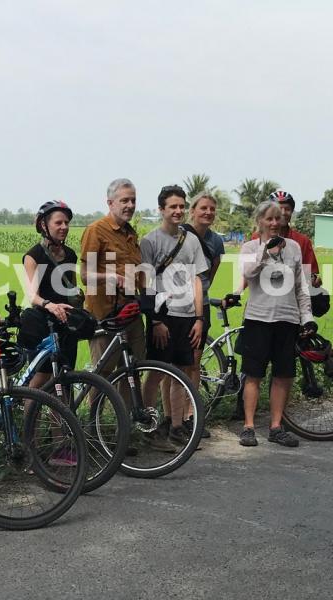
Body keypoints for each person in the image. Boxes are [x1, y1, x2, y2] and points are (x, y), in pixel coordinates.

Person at [238, 200, 315, 448]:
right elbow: (248, 274)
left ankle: (276, 426)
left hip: (287, 318)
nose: (274, 223)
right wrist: (266, 252)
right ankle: (248, 426)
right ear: (259, 221)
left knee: (283, 375)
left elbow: (301, 286)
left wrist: (308, 317)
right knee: (253, 375)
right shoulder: (250, 247)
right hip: (258, 318)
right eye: (269, 219)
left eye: (277, 219)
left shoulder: (293, 247)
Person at [139, 185, 207, 450]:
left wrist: (199, 318)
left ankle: (176, 427)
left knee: (179, 373)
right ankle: (148, 428)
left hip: (187, 315)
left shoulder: (190, 240)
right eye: (172, 207)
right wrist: (155, 320)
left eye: (181, 206)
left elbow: (197, 280)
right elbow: (145, 282)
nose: (178, 211)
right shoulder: (150, 241)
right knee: (155, 374)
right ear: (161, 210)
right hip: (163, 316)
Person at [21, 200, 83, 466]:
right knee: (39, 386)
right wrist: (50, 304)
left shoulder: (69, 255)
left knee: (63, 385)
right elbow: (31, 294)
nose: (64, 227)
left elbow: (71, 289)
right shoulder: (33, 255)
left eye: (66, 222)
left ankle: (61, 446)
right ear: (44, 225)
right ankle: (30, 447)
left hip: (65, 326)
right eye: (58, 222)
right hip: (42, 325)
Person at [80, 178, 146, 370]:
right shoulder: (96, 231)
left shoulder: (131, 234)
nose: (130, 205)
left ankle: (128, 403)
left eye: (133, 200)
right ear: (110, 203)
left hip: (131, 314)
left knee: (132, 371)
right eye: (124, 201)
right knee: (103, 377)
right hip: (105, 317)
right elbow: (85, 276)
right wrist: (111, 278)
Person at [185, 191, 226, 438]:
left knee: (195, 361)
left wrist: (201, 299)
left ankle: (192, 415)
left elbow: (209, 277)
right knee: (175, 362)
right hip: (177, 305)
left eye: (212, 208)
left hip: (201, 306)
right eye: (203, 208)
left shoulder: (216, 242)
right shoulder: (181, 234)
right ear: (193, 210)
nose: (208, 212)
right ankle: (172, 418)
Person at [253, 190, 322, 288]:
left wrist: (314, 279)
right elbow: (248, 272)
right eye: (279, 209)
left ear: (292, 212)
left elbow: (309, 273)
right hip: (261, 299)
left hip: (292, 300)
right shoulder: (256, 238)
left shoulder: (303, 241)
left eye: (287, 209)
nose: (283, 213)